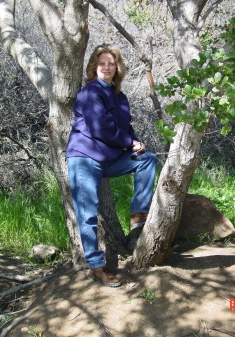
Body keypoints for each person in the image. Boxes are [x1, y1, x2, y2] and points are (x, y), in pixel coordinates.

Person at [66, 44, 157, 287]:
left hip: (107, 159)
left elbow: (125, 129)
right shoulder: (90, 93)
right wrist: (130, 141)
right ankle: (96, 267)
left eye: (111, 63)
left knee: (147, 159)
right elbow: (100, 129)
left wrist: (134, 144)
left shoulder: (120, 97)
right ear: (94, 67)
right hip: (84, 158)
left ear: (118, 68)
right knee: (88, 213)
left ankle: (137, 224)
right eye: (102, 63)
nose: (106, 67)